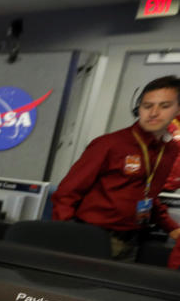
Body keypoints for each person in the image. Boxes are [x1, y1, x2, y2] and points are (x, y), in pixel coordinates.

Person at [52, 75, 180, 261]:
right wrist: (67, 235)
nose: (153, 112)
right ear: (138, 109)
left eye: (164, 106)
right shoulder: (110, 144)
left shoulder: (169, 151)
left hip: (133, 240)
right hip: (93, 237)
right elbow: (66, 194)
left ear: (177, 110)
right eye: (147, 105)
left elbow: (147, 196)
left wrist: (172, 227)